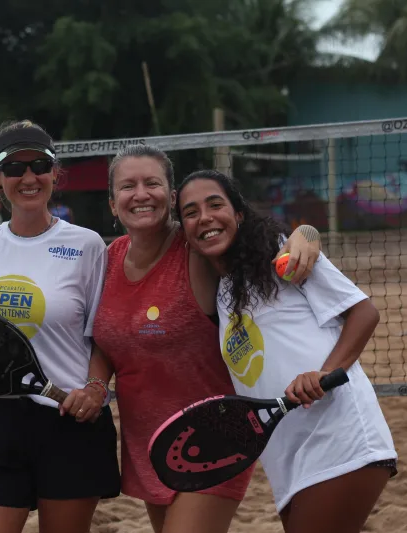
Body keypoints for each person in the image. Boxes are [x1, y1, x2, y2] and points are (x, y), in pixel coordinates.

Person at [67, 144, 324, 533]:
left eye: (152, 183)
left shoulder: (199, 251)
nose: (140, 194)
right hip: (148, 444)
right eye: (128, 186)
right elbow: (106, 338)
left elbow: (259, 236)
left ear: (171, 198)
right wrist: (96, 384)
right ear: (112, 203)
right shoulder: (108, 257)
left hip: (215, 438)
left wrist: (307, 233)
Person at [174, 169, 398, 533]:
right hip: (287, 457)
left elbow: (364, 312)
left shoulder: (280, 253)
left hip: (339, 438)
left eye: (216, 204)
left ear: (239, 213)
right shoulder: (222, 289)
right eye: (191, 212)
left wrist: (325, 373)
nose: (205, 217)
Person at [0, 120, 121, 533]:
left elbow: (104, 334)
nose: (28, 177)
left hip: (67, 416)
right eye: (14, 168)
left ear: (54, 173)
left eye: (39, 165)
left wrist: (96, 389)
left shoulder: (87, 245)